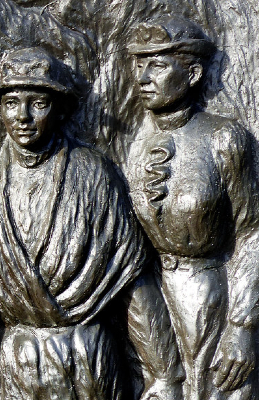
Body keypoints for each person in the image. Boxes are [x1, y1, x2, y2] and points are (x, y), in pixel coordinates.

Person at [0, 47, 183, 400]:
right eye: (11, 103)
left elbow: (131, 280)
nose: (23, 116)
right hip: (17, 359)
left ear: (59, 110)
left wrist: (164, 374)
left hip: (84, 355)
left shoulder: (93, 175)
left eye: (37, 104)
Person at [124, 16, 259, 400]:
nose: (143, 77)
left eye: (158, 65)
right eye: (138, 65)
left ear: (195, 72)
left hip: (215, 299)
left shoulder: (224, 138)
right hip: (154, 307)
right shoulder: (133, 146)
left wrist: (242, 327)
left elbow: (252, 234)